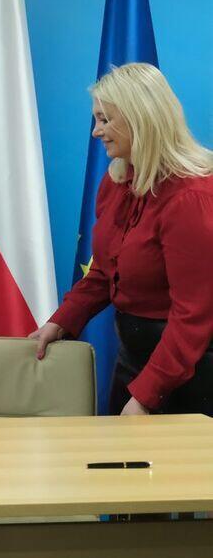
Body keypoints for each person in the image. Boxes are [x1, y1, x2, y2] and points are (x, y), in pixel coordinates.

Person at [31, 63, 213, 415]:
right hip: (135, 360)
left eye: (105, 119)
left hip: (191, 372)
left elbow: (194, 317)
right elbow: (104, 272)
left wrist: (145, 396)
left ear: (139, 119)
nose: (96, 131)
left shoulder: (191, 199)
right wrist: (60, 321)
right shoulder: (116, 182)